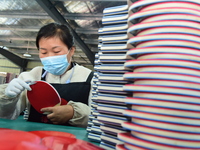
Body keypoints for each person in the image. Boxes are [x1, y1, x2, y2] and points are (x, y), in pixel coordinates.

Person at [0, 23, 93, 127]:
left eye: (56, 51)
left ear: (71, 50)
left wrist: (74, 113)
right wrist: (7, 97)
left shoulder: (88, 78)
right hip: (36, 140)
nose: (50, 57)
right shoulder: (32, 76)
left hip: (76, 141)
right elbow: (7, 115)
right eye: (44, 52)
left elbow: (100, 118)